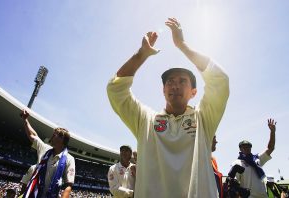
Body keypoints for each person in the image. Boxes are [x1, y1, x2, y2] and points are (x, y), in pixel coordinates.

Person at [107, 17, 229, 197]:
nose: (175, 85)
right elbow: (115, 90)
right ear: (163, 90)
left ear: (194, 92)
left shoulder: (203, 119)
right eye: (170, 82)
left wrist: (182, 45)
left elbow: (220, 80)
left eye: (182, 81)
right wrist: (141, 55)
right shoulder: (146, 120)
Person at [20, 109, 75, 198]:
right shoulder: (45, 149)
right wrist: (25, 119)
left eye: (54, 135)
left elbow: (69, 185)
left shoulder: (69, 159)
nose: (51, 137)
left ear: (62, 139)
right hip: (33, 195)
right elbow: (33, 135)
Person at [232, 119, 276, 198]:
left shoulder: (257, 158)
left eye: (249, 146)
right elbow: (234, 183)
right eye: (244, 147)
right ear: (240, 149)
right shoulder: (237, 163)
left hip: (263, 196)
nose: (247, 148)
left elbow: (270, 148)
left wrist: (272, 132)